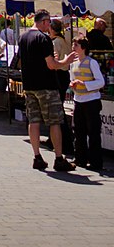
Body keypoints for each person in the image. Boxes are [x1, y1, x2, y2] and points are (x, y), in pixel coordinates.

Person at [18, 9, 75, 172]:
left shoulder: (24, 37)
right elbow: (51, 65)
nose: (50, 25)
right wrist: (66, 60)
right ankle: (58, 158)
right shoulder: (43, 39)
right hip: (46, 86)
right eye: (48, 21)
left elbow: (24, 61)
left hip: (29, 85)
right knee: (54, 121)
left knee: (33, 121)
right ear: (43, 21)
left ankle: (37, 156)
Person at [69, 36, 105, 171]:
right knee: (78, 131)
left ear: (83, 47)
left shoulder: (91, 62)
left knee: (93, 132)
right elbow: (72, 78)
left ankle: (96, 162)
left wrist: (84, 84)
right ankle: (80, 159)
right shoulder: (73, 63)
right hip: (78, 100)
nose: (74, 47)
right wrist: (72, 84)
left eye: (76, 45)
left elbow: (100, 82)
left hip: (91, 101)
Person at [49, 18, 73, 155]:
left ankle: (64, 142)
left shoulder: (56, 42)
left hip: (59, 75)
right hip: (64, 75)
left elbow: (54, 61)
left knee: (58, 110)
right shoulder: (64, 41)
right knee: (59, 108)